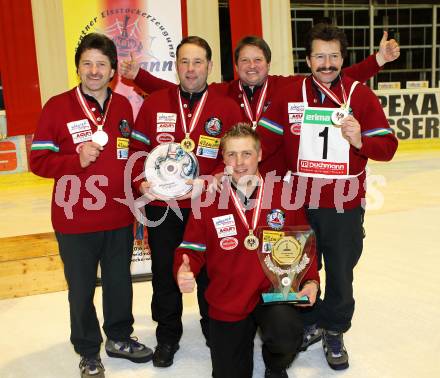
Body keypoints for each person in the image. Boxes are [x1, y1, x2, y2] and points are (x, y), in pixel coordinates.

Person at [257, 23, 398, 370]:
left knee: (339, 271)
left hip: (343, 202)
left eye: (333, 56)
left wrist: (360, 140)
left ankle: (334, 328)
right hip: (298, 201)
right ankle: (307, 323)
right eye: (319, 55)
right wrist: (242, 170)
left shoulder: (360, 96)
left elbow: (389, 146)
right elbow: (264, 143)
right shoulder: (290, 93)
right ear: (307, 59)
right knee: (301, 266)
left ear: (342, 58)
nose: (327, 63)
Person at [30, 33, 153, 378]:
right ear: (78, 68)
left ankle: (119, 338)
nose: (94, 70)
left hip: (117, 214)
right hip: (74, 218)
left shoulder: (125, 106)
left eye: (101, 64)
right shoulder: (57, 106)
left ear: (113, 68)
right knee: (81, 290)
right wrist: (75, 160)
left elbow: (128, 158)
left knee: (119, 282)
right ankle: (87, 350)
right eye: (87, 63)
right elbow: (38, 161)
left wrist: (139, 185)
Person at [120, 32, 399, 176]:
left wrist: (378, 61)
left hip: (277, 182)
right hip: (238, 179)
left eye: (258, 60)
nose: (251, 66)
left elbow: (332, 75)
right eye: (244, 61)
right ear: (235, 65)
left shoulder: (287, 88)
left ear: (268, 63)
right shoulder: (223, 93)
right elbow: (184, 87)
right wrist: (139, 77)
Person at [129, 36, 242, 368]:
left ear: (209, 65)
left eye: (197, 62)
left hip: (208, 207)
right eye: (184, 62)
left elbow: (237, 159)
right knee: (165, 273)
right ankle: (167, 336)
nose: (191, 69)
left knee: (212, 272)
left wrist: (212, 180)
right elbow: (136, 154)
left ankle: (213, 328)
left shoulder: (226, 107)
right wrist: (142, 181)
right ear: (175, 65)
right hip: (163, 207)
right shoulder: (154, 104)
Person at [174, 123, 320, 378]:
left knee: (288, 333)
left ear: (260, 154)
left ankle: (275, 366)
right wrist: (183, 270)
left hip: (273, 292)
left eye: (246, 153)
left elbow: (303, 246)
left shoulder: (284, 195)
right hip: (229, 297)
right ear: (223, 158)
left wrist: (311, 281)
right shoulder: (208, 200)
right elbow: (191, 248)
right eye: (231, 154)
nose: (239, 162)